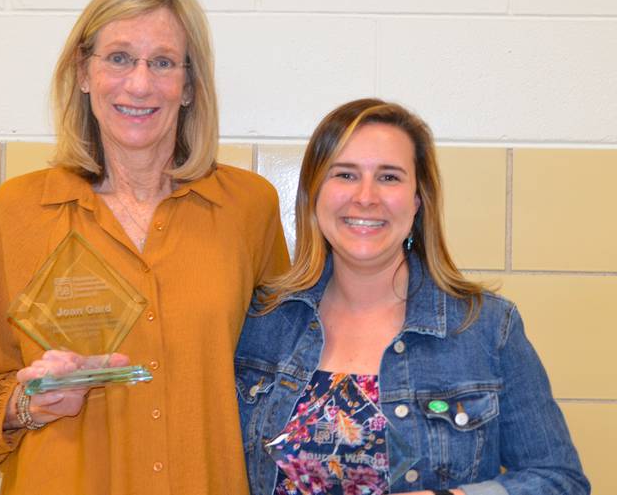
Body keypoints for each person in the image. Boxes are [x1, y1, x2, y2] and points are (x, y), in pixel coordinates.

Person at [0, 0, 289, 495]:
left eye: (162, 62)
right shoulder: (21, 211)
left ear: (189, 86)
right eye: (119, 58)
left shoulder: (248, 209)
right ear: (83, 72)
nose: (139, 84)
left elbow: (284, 379)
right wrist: (28, 401)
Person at [235, 99, 589, 495]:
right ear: (314, 196)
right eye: (346, 175)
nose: (365, 197)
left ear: (418, 200)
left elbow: (562, 481)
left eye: (389, 177)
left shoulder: (486, 328)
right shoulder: (262, 322)